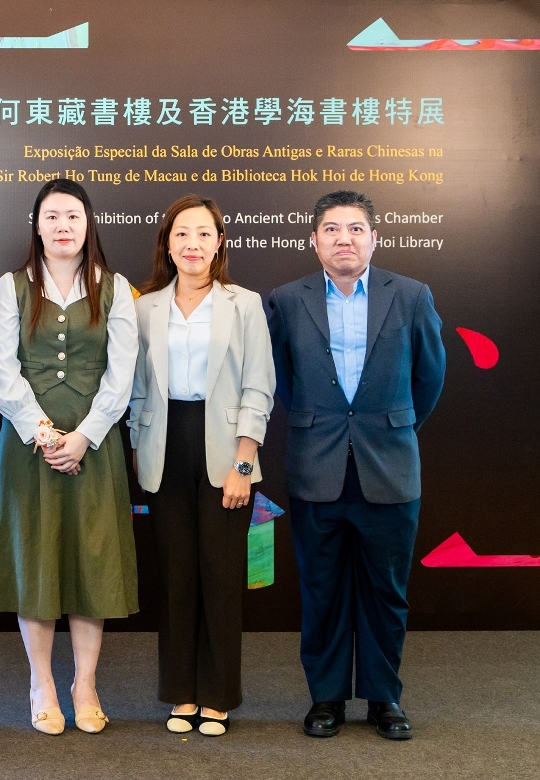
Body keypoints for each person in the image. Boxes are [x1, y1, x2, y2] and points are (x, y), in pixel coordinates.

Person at [267, 190, 445, 740]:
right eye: (332, 229)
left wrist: (391, 428)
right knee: (321, 591)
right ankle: (325, 698)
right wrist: (322, 424)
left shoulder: (411, 295)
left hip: (389, 467)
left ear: (374, 238)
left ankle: (383, 698)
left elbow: (430, 377)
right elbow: (281, 379)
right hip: (315, 467)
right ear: (314, 240)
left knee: (385, 592)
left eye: (355, 229)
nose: (344, 238)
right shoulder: (286, 300)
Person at [0, 178, 139, 735]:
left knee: (92, 562)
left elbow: (122, 375)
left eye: (73, 215)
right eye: (51, 216)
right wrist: (46, 435)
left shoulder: (115, 288)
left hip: (95, 447)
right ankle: (42, 683)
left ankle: (85, 684)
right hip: (29, 449)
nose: (63, 226)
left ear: (88, 223)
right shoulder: (12, 287)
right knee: (36, 560)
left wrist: (84, 437)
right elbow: (2, 373)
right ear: (37, 225)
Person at [128, 195, 275, 737]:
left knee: (221, 575)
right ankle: (181, 693)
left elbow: (259, 386)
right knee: (176, 578)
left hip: (227, 450)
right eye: (182, 234)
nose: (193, 244)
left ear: (219, 243)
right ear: (167, 244)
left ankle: (217, 696)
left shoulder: (245, 304)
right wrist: (137, 444)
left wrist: (245, 462)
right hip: (163, 447)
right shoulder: (144, 307)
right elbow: (136, 387)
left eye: (203, 234)